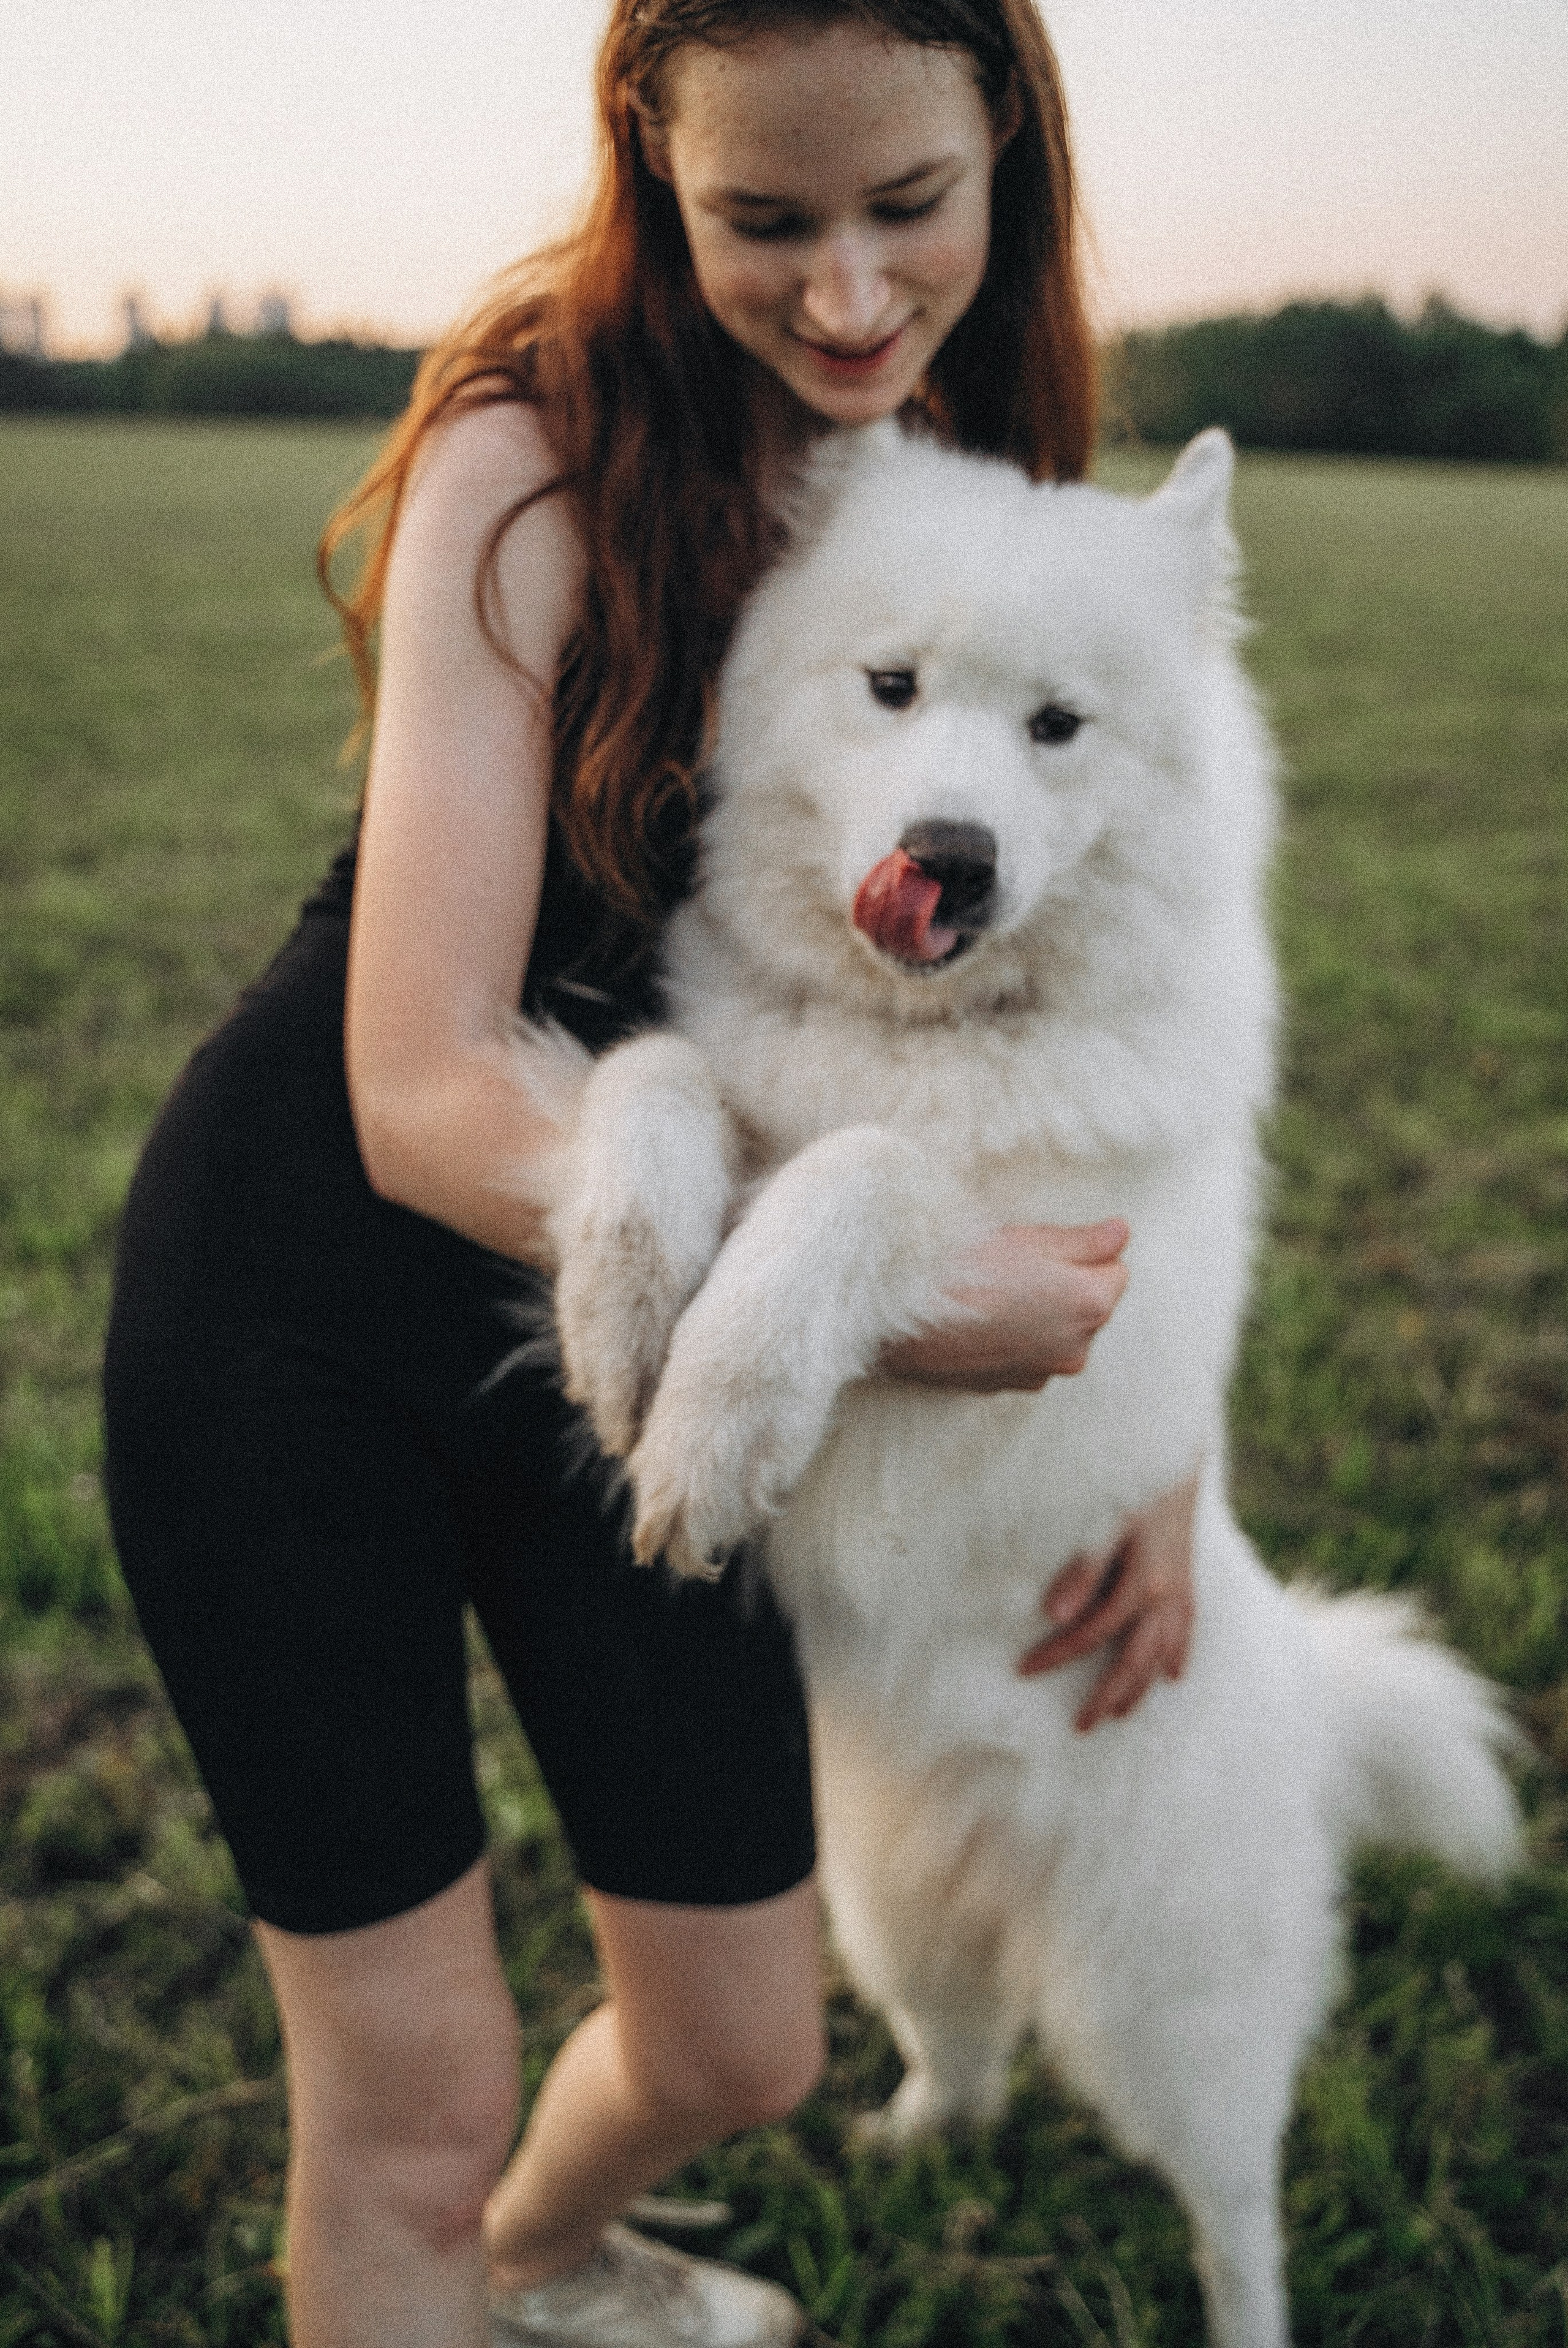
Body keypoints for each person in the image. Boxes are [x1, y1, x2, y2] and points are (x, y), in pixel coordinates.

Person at [102, 4, 1199, 2343]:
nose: (847, 291)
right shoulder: (528, 459)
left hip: (685, 1319)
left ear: (1007, 141)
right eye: (762, 220)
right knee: (411, 2110)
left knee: (738, 2043)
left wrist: (1155, 1445)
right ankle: (446, 2243)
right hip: (316, 1311)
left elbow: (1082, 1016)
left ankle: (536, 2265)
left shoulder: (979, 481)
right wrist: (898, 1299)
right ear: (650, 167)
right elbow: (420, 1088)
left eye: (907, 205)